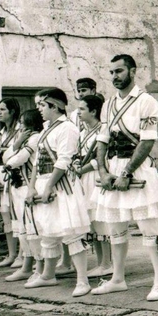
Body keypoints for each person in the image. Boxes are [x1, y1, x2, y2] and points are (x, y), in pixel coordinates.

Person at [93, 54, 158, 302]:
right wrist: (103, 171)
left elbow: (147, 141)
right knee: (114, 228)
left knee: (150, 228)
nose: (115, 76)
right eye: (112, 72)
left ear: (132, 71)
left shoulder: (147, 101)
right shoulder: (107, 104)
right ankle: (117, 279)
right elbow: (102, 139)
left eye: (119, 71)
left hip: (138, 170)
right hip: (113, 168)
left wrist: (126, 173)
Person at [23, 89, 93, 296]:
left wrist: (48, 187)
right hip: (44, 184)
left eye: (42, 106)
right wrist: (31, 187)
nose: (39, 110)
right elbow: (36, 162)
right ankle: (48, 275)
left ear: (55, 106)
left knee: (71, 233)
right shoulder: (46, 129)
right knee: (48, 232)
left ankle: (83, 280)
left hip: (63, 187)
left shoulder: (67, 129)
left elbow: (63, 161)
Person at [1, 109, 43, 282]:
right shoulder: (23, 139)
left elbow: (15, 160)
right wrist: (16, 143)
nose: (19, 125)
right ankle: (27, 265)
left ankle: (37, 267)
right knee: (23, 229)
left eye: (22, 122)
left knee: (32, 228)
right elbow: (4, 157)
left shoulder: (35, 138)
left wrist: (13, 153)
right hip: (19, 187)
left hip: (30, 186)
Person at [72, 93, 111, 277]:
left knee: (100, 219)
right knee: (92, 222)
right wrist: (77, 165)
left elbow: (103, 158)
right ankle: (100, 262)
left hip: (95, 176)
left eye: (82, 109)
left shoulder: (103, 131)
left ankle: (107, 263)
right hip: (84, 180)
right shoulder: (82, 132)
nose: (78, 112)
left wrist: (84, 168)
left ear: (94, 111)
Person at [0, 98, 21, 267]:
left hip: (15, 176)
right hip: (0, 175)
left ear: (12, 111)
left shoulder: (20, 130)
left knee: (19, 215)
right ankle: (12, 253)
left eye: (3, 109)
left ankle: (24, 255)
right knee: (6, 216)